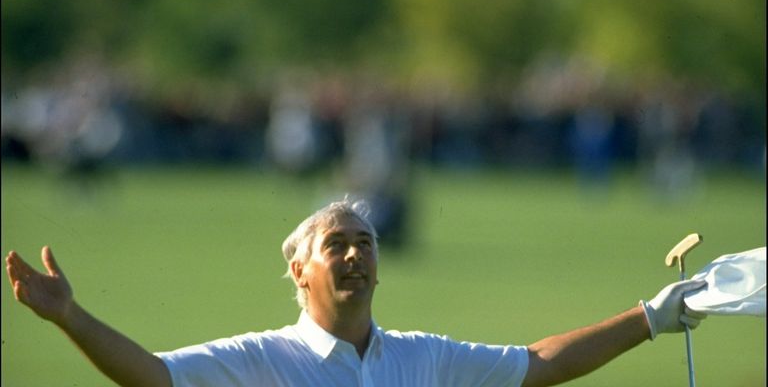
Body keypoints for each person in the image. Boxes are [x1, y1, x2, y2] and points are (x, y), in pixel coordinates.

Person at [5, 198, 707, 387]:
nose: (353, 254)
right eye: (334, 245)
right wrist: (71, 317)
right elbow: (153, 377)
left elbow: (541, 362)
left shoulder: (423, 358)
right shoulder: (260, 359)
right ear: (300, 274)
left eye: (364, 243)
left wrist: (650, 318)